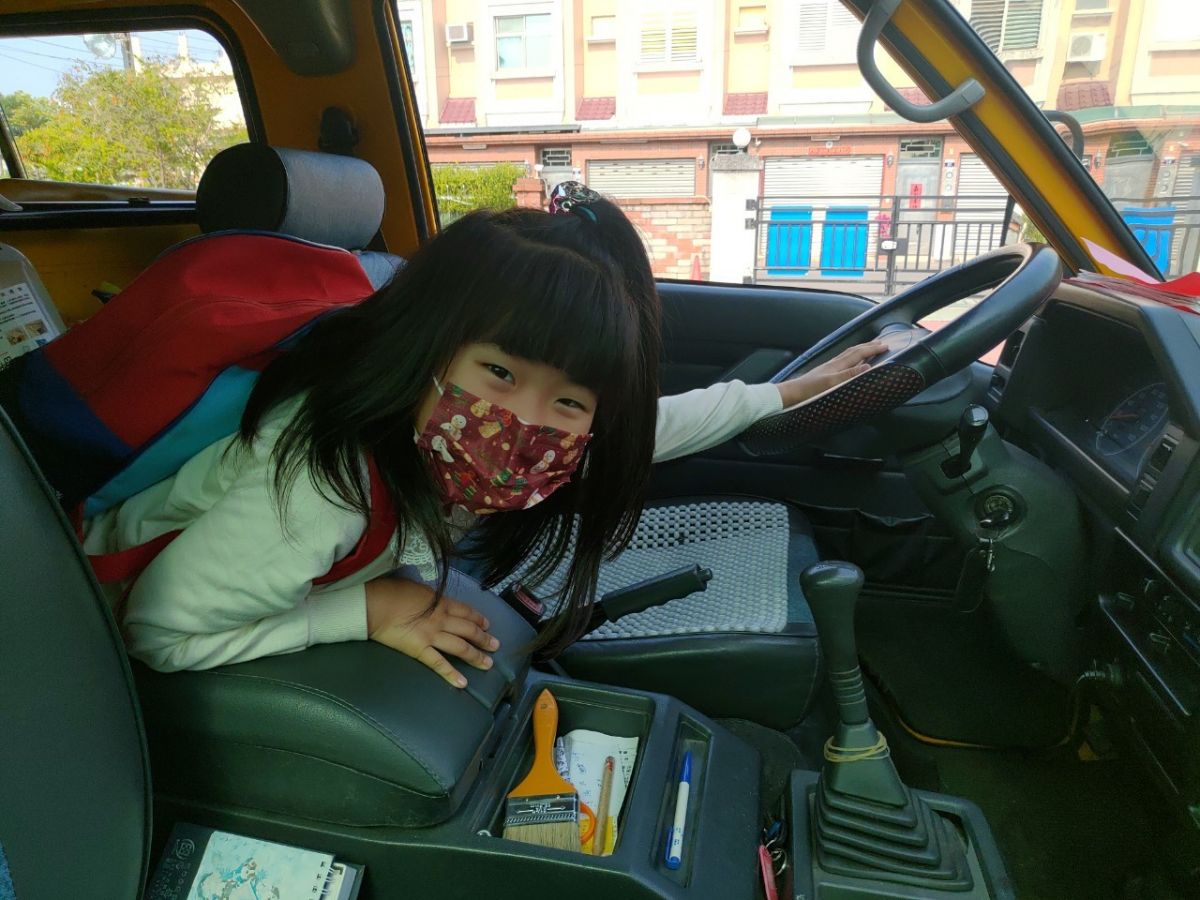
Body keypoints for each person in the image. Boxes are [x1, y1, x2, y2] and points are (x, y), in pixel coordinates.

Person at [84, 183, 882, 686]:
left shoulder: (463, 438)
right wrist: (366, 609)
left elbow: (651, 429)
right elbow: (156, 631)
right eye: (499, 372)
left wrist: (789, 393)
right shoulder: (320, 485)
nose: (524, 424)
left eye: (570, 401)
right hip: (105, 623)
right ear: (426, 349)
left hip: (269, 581)